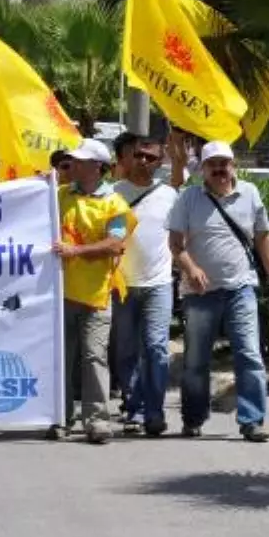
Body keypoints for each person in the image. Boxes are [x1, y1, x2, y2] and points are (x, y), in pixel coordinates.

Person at [170, 141, 269, 443]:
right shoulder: (189, 198)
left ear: (233, 165)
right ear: (203, 170)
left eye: (225, 163)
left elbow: (263, 237)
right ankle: (193, 418)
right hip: (200, 293)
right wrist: (190, 268)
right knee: (197, 360)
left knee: (249, 355)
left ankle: (252, 421)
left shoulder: (250, 193)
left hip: (241, 288)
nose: (220, 170)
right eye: (213, 165)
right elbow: (175, 244)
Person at [51, 138, 134, 444]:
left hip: (97, 294)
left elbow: (115, 244)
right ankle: (60, 417)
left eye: (81, 161)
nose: (73, 165)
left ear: (97, 167)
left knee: (93, 357)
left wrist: (75, 251)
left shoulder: (115, 204)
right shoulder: (59, 195)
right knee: (62, 357)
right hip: (60, 293)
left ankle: (97, 420)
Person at [112, 136, 182, 437]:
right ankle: (133, 408)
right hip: (122, 285)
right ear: (128, 157)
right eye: (138, 155)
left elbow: (182, 236)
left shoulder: (170, 195)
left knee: (156, 349)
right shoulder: (113, 193)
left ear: (159, 162)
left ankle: (154, 412)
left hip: (159, 284)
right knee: (125, 351)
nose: (143, 161)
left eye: (150, 157)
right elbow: (113, 232)